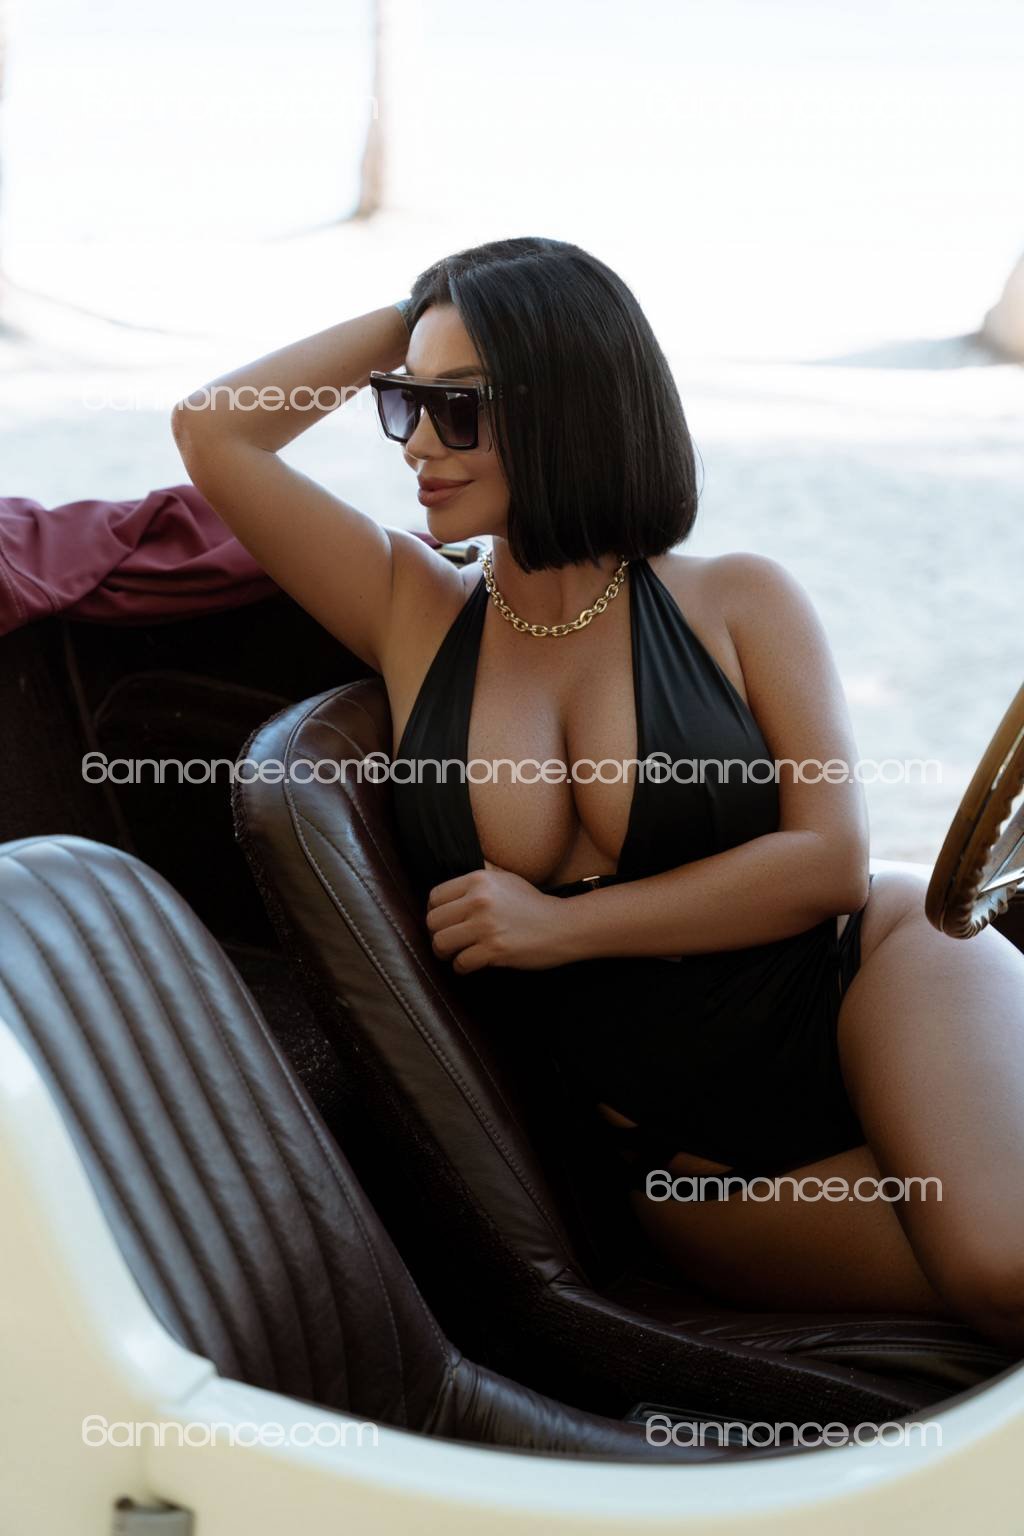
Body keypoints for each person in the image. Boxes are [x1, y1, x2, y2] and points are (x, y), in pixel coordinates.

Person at [172, 235, 1024, 1351]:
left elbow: (827, 864)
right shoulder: (413, 609)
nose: (417, 443)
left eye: (456, 408)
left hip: (877, 975)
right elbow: (216, 431)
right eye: (406, 404)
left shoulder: (739, 599)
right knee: (1002, 1283)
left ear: (563, 403)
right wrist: (433, 302)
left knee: (1004, 1265)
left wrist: (560, 928)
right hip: (690, 1158)